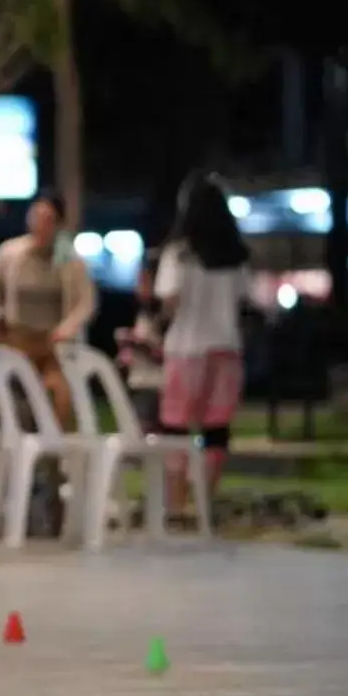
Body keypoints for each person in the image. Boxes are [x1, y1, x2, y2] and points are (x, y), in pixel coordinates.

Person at [155, 172, 254, 512]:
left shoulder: (179, 254)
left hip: (185, 349)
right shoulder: (236, 257)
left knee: (176, 426)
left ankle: (176, 503)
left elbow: (168, 299)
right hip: (226, 348)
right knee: (216, 428)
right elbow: (245, 299)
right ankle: (205, 502)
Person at [0, 192, 97, 428]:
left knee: (61, 393)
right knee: (7, 396)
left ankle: (57, 454)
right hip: (16, 337)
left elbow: (86, 301)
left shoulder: (69, 260)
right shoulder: (12, 252)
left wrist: (68, 327)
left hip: (51, 343)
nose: (40, 225)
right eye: (36, 217)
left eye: (48, 219)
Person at [116, 247, 167, 431]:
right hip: (139, 381)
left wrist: (137, 345)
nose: (139, 285)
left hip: (155, 385)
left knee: (146, 432)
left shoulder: (165, 315)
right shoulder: (143, 313)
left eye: (144, 280)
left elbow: (164, 355)